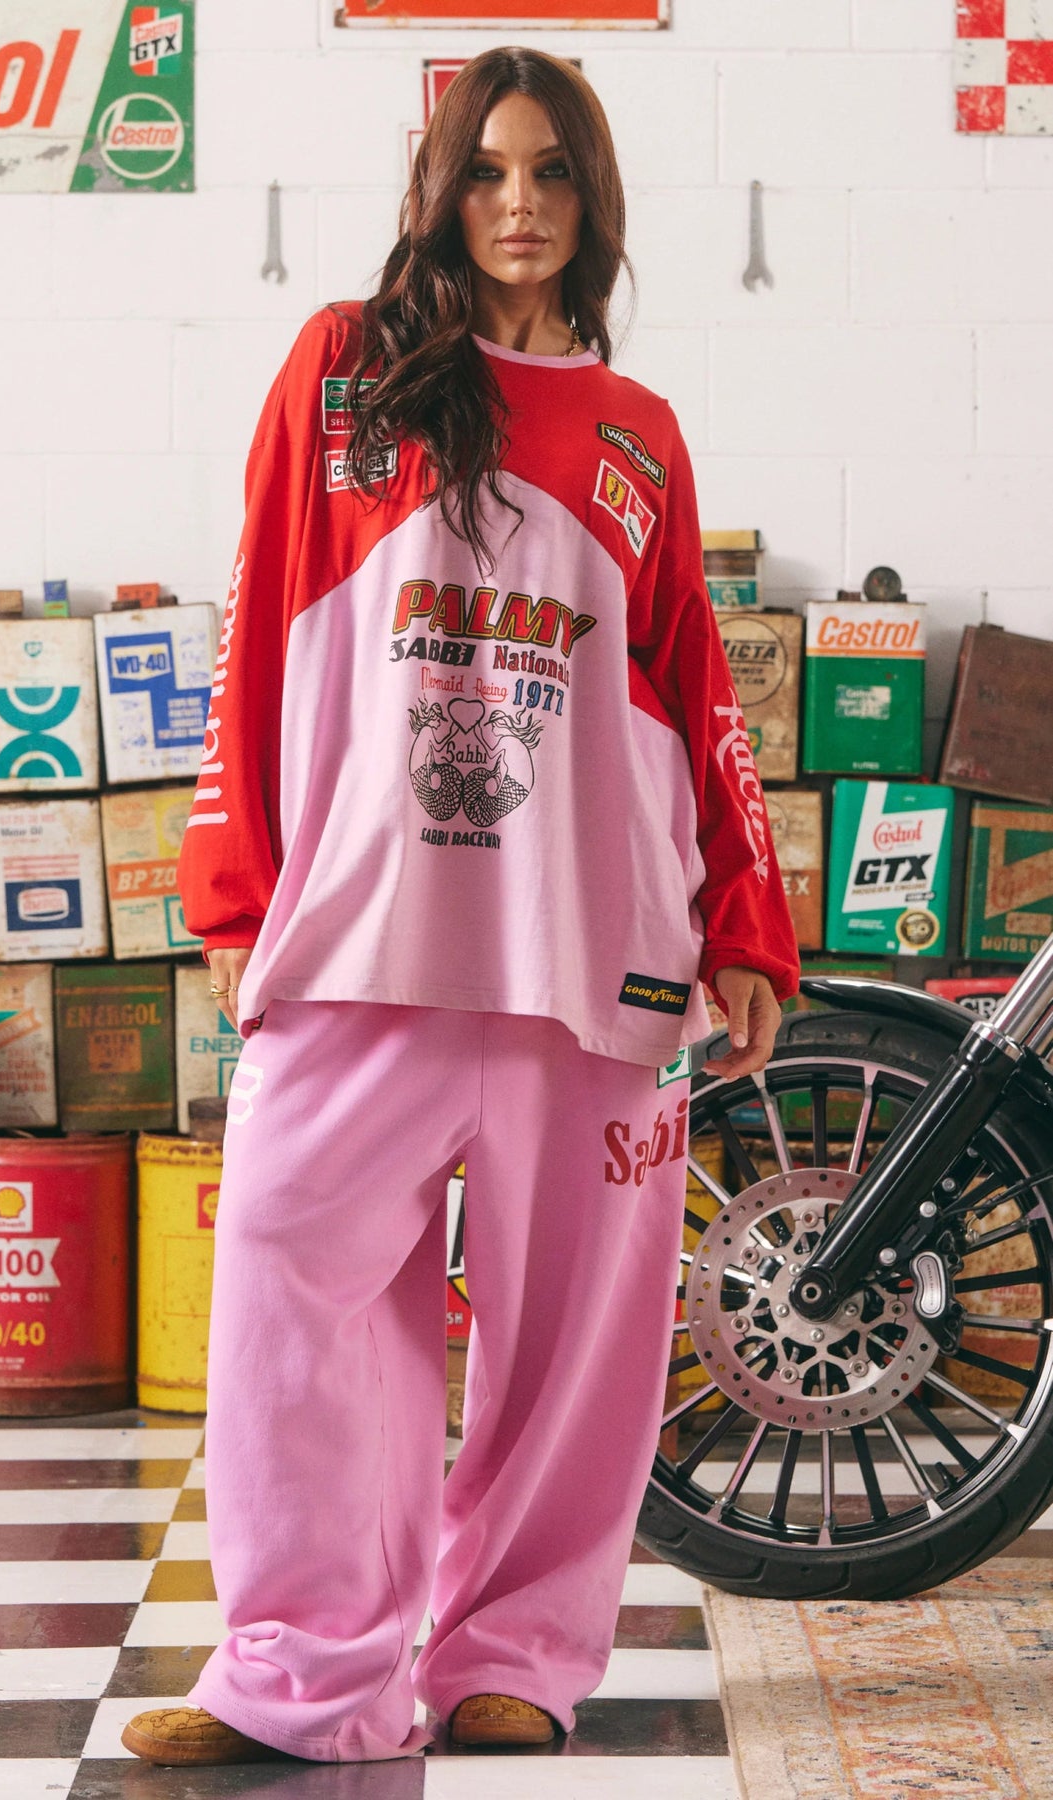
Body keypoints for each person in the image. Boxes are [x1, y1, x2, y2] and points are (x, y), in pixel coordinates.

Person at [122, 45, 799, 1770]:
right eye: (486, 169)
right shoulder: (345, 373)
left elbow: (695, 691)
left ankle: (514, 1655)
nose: (518, 203)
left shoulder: (639, 432)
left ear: (594, 196)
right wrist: (232, 893)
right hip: (365, 937)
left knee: (575, 1334)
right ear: (439, 189)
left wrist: (745, 922)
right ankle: (303, 1671)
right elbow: (257, 628)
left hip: (592, 958)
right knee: (291, 1284)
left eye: (552, 171)